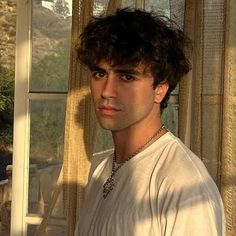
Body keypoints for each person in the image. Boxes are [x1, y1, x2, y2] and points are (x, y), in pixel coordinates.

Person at [75, 8, 225, 236]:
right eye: (99, 74)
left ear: (160, 90)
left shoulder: (184, 184)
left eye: (127, 77)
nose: (106, 91)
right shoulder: (102, 169)